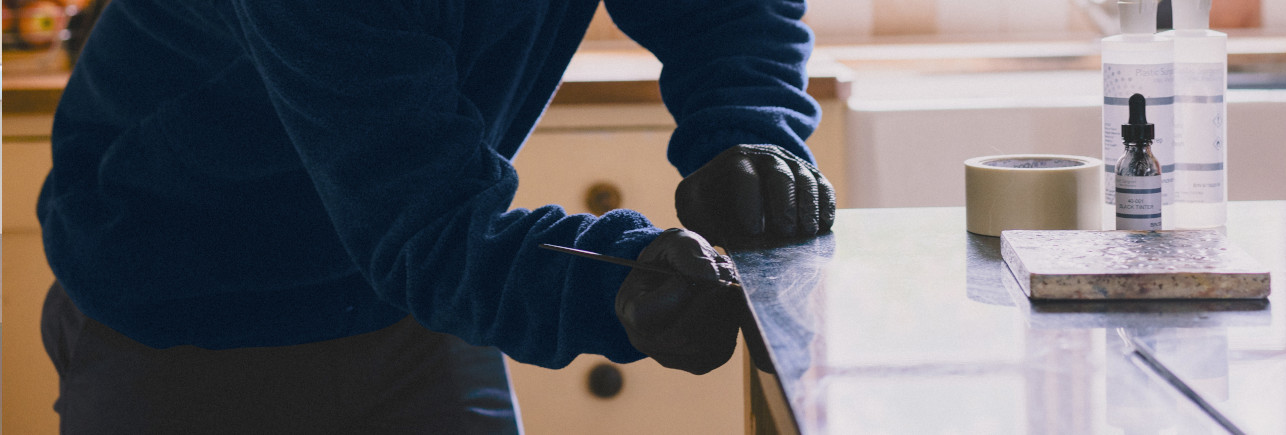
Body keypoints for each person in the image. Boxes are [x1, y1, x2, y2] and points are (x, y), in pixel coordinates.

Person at [36, 0, 835, 433]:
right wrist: (619, 285)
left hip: (407, 303)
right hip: (177, 312)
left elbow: (725, 10)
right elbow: (430, 228)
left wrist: (749, 130)